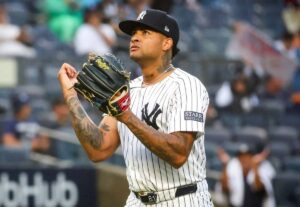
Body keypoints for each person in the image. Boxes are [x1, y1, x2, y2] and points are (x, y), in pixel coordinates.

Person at [58, 9, 213, 206]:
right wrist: (71, 96)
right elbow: (98, 150)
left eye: (145, 32)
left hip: (183, 198)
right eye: (134, 33)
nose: (135, 38)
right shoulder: (127, 90)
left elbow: (178, 154)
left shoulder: (186, 85)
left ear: (167, 43)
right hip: (137, 200)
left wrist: (126, 115)